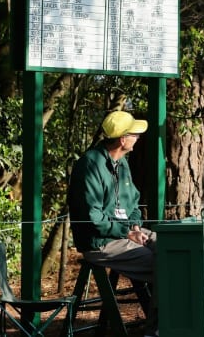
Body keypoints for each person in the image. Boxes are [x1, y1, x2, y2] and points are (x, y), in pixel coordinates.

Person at [68, 110, 158, 336]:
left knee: (178, 249)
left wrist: (135, 226)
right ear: (122, 139)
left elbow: (134, 203)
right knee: (166, 265)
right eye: (135, 134)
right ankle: (157, 329)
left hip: (126, 233)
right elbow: (94, 219)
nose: (138, 137)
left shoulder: (122, 163)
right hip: (101, 242)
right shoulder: (89, 165)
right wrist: (128, 233)